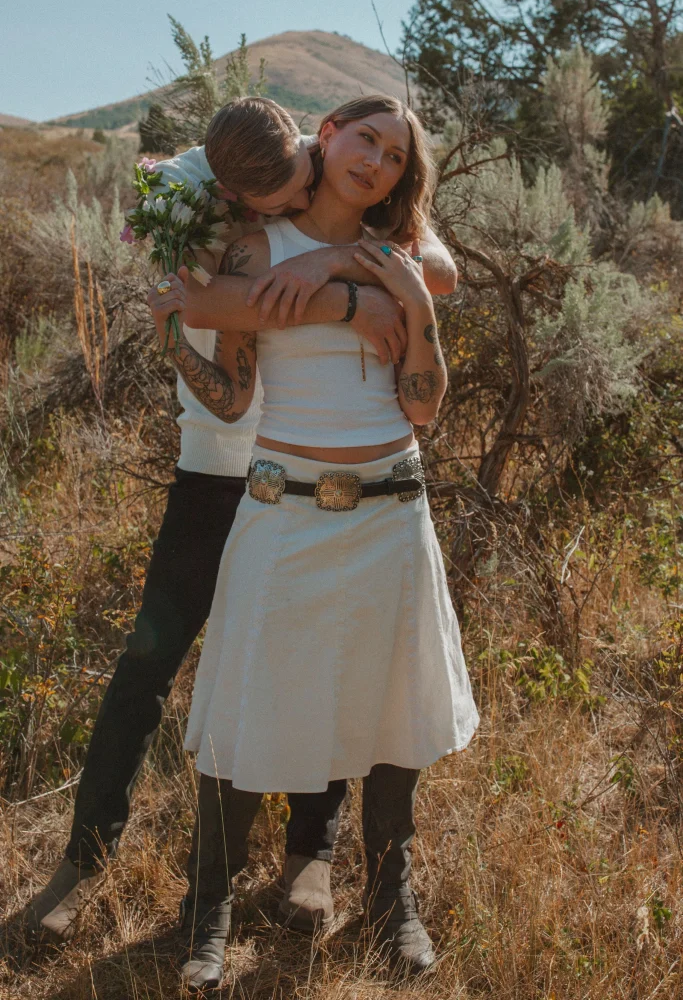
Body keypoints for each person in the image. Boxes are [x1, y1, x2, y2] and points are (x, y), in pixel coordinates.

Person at [22, 96, 458, 946]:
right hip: (217, 470)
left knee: (328, 658)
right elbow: (199, 300)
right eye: (267, 194)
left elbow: (431, 264)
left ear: (316, 141)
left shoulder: (348, 183)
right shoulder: (201, 176)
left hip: (325, 474)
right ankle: (83, 859)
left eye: (297, 181)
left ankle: (311, 857)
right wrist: (344, 305)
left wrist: (344, 267)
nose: (284, 199)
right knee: (147, 664)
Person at [160, 95, 479, 992]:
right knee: (245, 702)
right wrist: (336, 293)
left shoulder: (405, 258)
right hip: (280, 505)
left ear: (400, 176)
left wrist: (412, 303)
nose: (374, 161)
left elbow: (422, 404)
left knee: (392, 711)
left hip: (391, 509)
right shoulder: (253, 246)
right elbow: (229, 388)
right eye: (364, 138)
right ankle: (208, 913)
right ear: (326, 132)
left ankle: (392, 900)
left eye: (393, 155)